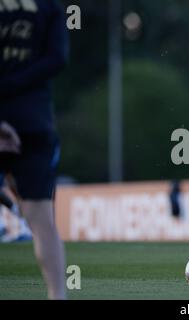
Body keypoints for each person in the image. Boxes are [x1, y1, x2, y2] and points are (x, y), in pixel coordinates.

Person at [0, 0, 69, 299]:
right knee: (42, 220)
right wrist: (16, 85)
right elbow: (57, 58)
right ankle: (58, 296)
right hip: (34, 119)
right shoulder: (50, 6)